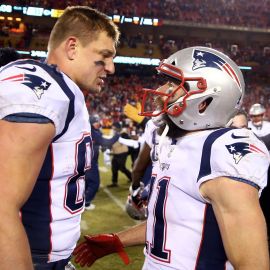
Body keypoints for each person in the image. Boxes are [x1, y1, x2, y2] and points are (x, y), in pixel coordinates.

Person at [73, 47, 270, 269]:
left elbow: (253, 263)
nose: (160, 90)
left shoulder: (220, 151)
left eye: (172, 84)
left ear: (205, 101)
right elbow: (174, 223)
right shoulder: (172, 139)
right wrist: (119, 240)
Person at [0, 6, 119, 270]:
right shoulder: (42, 91)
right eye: (104, 56)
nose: (111, 68)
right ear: (72, 47)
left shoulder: (62, 90)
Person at [84, 114, 120, 210]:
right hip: (90, 161)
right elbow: (107, 142)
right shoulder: (93, 132)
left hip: (86, 159)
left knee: (87, 182)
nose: (98, 123)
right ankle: (86, 203)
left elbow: (97, 143)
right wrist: (117, 136)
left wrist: (100, 146)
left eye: (97, 121)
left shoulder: (90, 130)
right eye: (95, 122)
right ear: (91, 123)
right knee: (95, 183)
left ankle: (82, 200)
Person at [107, 122, 132, 187]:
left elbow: (127, 139)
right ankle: (114, 182)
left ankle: (132, 178)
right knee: (114, 168)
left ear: (117, 127)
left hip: (122, 153)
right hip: (116, 153)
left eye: (114, 127)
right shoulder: (115, 134)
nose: (113, 129)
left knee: (122, 168)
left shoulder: (123, 133)